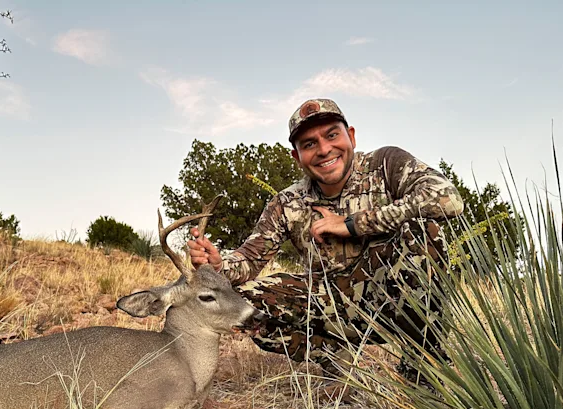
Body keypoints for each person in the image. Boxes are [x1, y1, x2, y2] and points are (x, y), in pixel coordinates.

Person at [187, 98, 464, 377]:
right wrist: (220, 264)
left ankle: (424, 364)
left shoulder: (387, 163)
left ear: (351, 136)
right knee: (247, 303)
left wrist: (354, 224)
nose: (324, 149)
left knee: (423, 230)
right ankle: (341, 365)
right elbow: (249, 259)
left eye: (332, 135)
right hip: (331, 304)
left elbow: (448, 199)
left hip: (393, 296)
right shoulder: (286, 202)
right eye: (309, 144)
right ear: (297, 157)